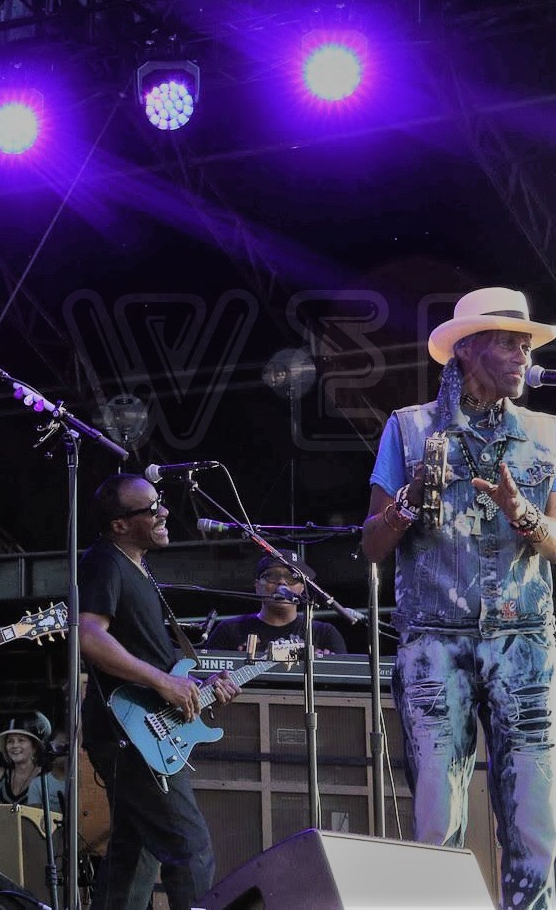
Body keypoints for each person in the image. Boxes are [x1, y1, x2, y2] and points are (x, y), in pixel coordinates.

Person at [361, 287, 556, 909]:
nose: (523, 357)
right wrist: (409, 498)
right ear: (467, 350)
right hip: (434, 644)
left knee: (534, 826)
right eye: (509, 344)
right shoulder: (409, 428)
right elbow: (371, 545)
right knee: (436, 824)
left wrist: (523, 513)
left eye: (526, 346)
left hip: (524, 643)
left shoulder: (546, 434)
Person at [79, 473, 240, 910]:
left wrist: (198, 687)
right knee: (190, 849)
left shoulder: (136, 566)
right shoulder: (104, 561)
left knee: (133, 859)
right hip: (128, 731)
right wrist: (164, 682)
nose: (164, 511)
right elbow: (89, 635)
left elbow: (149, 654)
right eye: (151, 508)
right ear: (119, 524)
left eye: (160, 502)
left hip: (143, 729)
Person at [202, 556, 346, 657]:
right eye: (272, 576)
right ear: (257, 586)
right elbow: (208, 679)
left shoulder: (324, 633)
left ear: (302, 587)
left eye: (292, 577)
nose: (282, 582)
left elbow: (343, 683)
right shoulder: (229, 630)